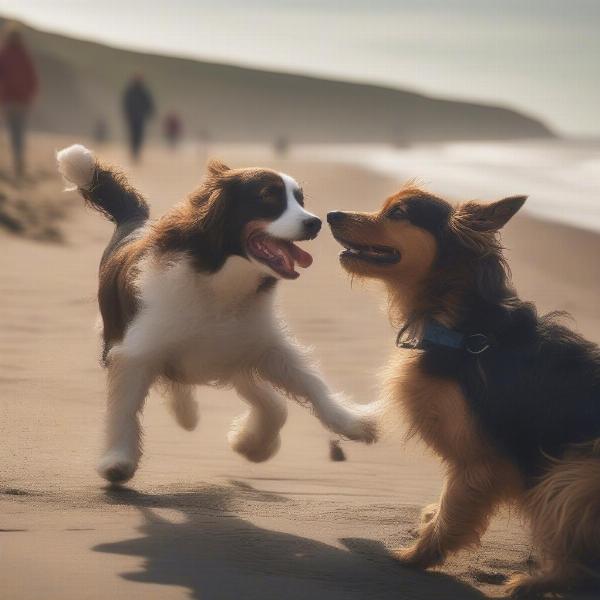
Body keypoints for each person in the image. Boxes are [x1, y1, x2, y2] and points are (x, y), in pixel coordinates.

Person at [0, 23, 38, 179]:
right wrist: (30, 97)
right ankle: (18, 165)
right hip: (21, 102)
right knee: (18, 134)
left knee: (12, 132)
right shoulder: (24, 55)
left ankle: (17, 165)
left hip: (10, 100)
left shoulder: (5, 54)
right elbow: (33, 79)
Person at [122, 74, 154, 162]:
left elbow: (149, 104)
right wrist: (126, 114)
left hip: (140, 118)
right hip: (133, 118)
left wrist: (149, 112)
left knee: (139, 136)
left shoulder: (143, 92)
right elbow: (126, 104)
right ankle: (134, 153)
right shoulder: (130, 92)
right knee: (133, 136)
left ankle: (136, 153)